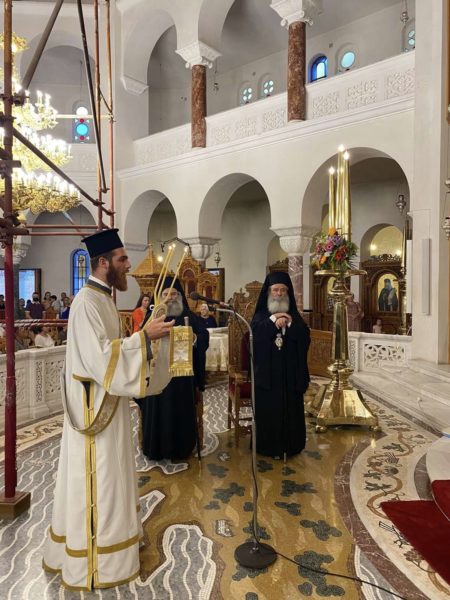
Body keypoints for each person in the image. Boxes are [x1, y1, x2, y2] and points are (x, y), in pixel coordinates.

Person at [43, 228, 174, 591]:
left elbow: (112, 349)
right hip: (93, 409)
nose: (128, 264)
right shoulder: (86, 302)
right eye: (122, 259)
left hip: (108, 402)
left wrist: (142, 338)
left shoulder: (103, 298)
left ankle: (119, 543)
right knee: (99, 480)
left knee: (114, 476)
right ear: (103, 263)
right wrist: (144, 338)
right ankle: (96, 562)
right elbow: (100, 358)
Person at [137, 276, 209, 460]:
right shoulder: (152, 318)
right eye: (165, 294)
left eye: (174, 294)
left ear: (180, 296)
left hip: (181, 380)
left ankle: (181, 447)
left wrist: (193, 338)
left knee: (180, 409)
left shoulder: (189, 317)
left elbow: (204, 337)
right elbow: (140, 341)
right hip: (156, 376)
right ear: (159, 297)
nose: (170, 298)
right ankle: (156, 447)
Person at [251, 271, 311, 459]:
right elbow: (253, 338)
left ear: (288, 293)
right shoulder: (260, 316)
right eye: (275, 290)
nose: (279, 294)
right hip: (267, 374)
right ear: (269, 292)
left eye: (283, 290)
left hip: (290, 373)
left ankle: (292, 445)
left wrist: (290, 324)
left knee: (291, 409)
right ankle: (267, 446)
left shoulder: (294, 316)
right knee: (268, 410)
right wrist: (273, 322)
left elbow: (305, 338)